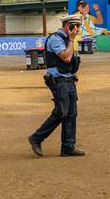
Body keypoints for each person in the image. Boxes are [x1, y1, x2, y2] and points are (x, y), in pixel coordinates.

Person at [28, 14, 86, 158]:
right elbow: (66, 57)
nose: (77, 29)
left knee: (71, 113)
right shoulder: (56, 39)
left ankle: (68, 147)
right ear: (67, 26)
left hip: (68, 80)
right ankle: (37, 138)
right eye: (75, 26)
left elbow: (70, 61)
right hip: (58, 81)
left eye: (78, 26)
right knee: (61, 112)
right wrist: (71, 40)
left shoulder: (67, 39)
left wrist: (72, 72)